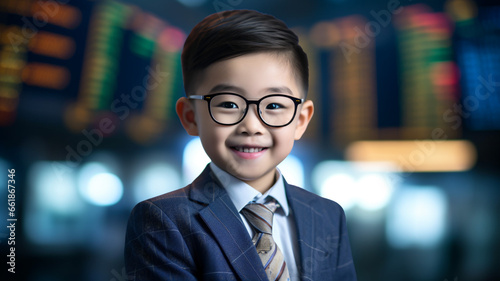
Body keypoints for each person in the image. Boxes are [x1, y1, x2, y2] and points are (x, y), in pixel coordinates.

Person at [125, 9, 357, 281]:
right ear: (190, 117)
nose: (252, 125)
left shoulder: (328, 215)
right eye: (228, 104)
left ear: (301, 120)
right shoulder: (163, 220)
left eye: (273, 105)